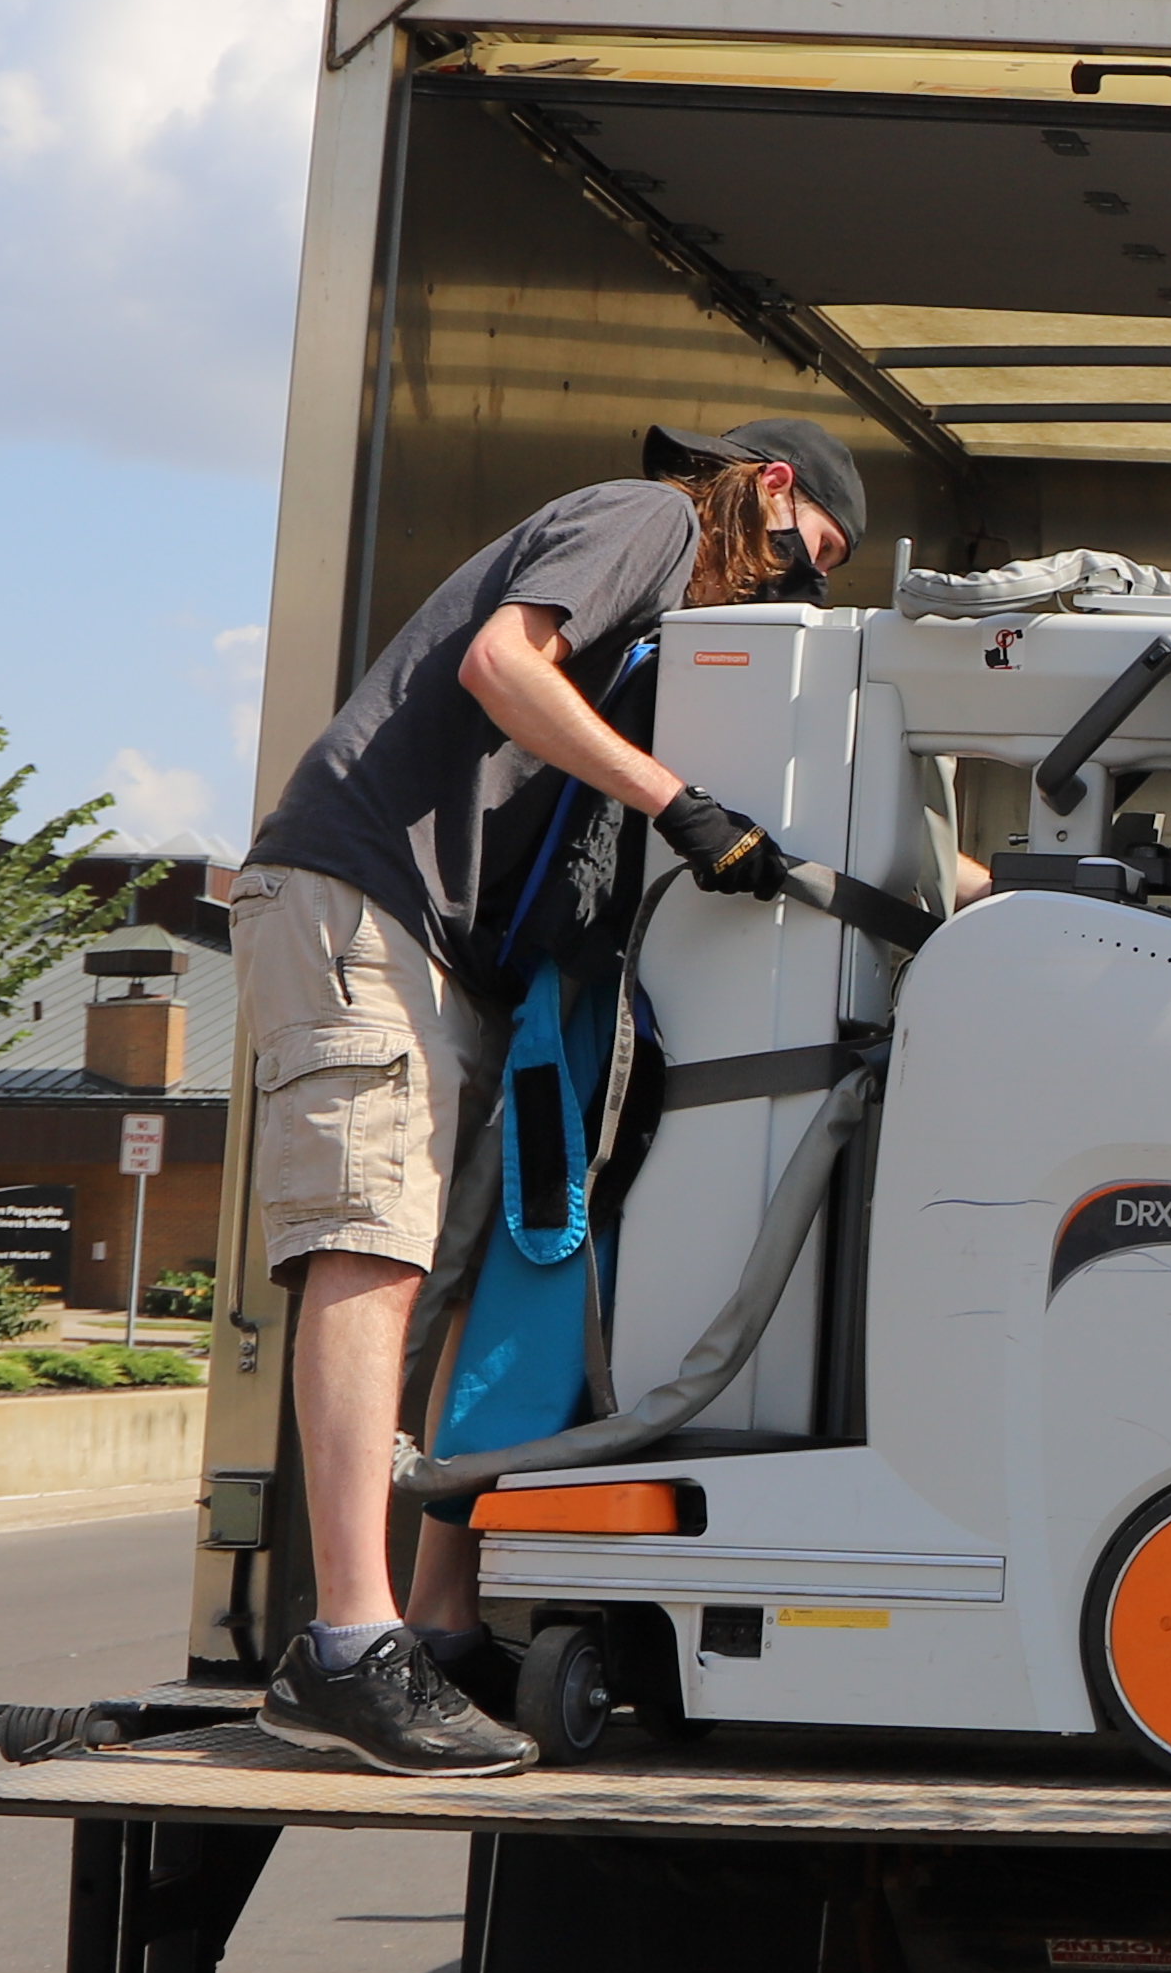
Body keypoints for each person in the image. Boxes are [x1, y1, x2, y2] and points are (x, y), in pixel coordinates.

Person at [231, 417, 869, 1774]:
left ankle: (438, 1623)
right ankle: (349, 1645)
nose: (793, 589)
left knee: (464, 1267)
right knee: (374, 1247)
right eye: (809, 557)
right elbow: (502, 662)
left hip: (446, 943)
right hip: (363, 898)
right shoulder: (655, 519)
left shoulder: (667, 623)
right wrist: (678, 800)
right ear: (769, 490)